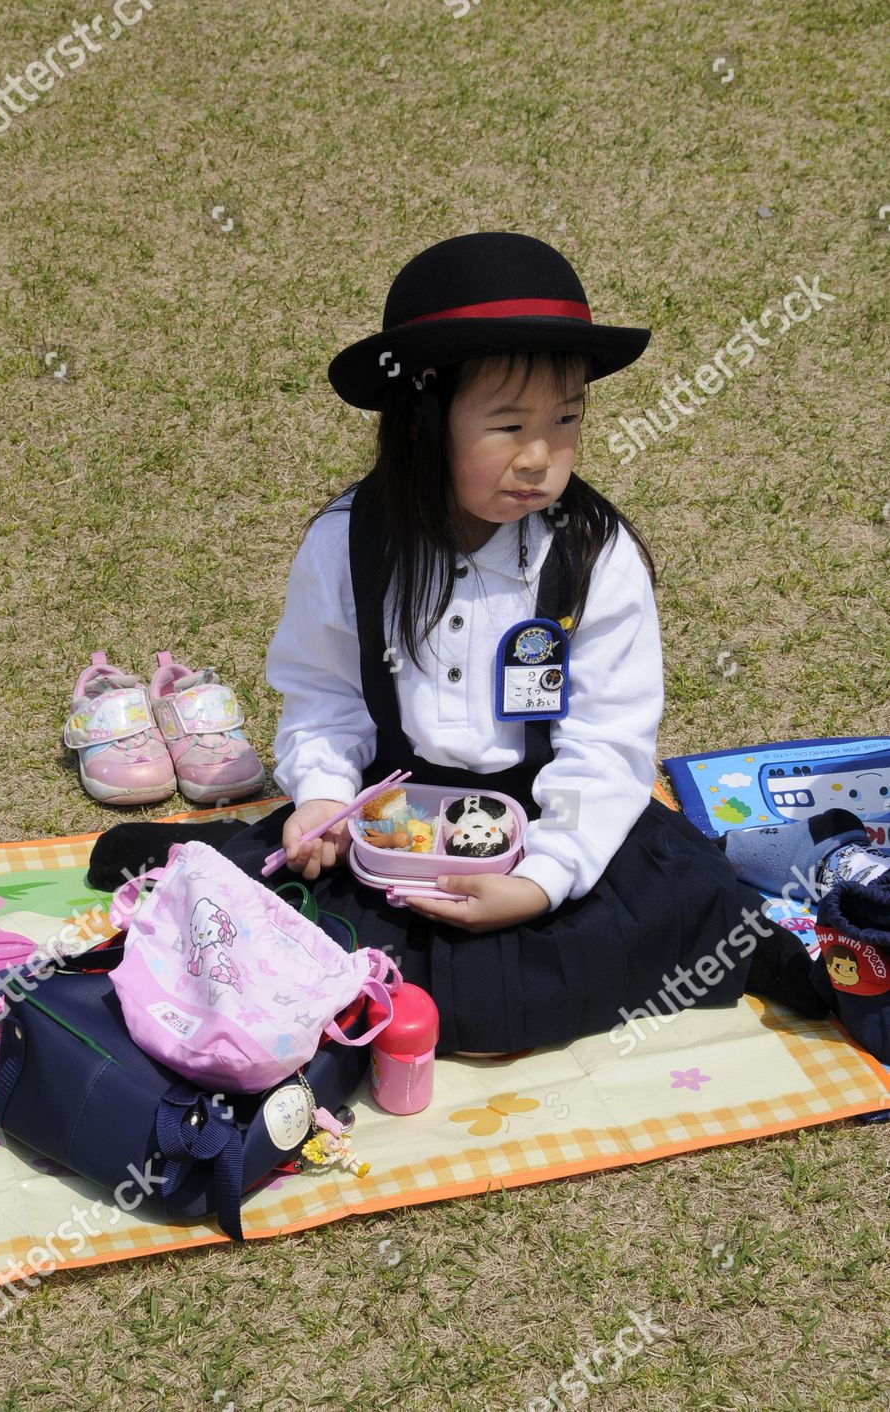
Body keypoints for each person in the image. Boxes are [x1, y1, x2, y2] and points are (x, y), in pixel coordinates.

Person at [90, 231, 826, 1055]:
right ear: (425, 420)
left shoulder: (594, 557)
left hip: (552, 806)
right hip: (392, 819)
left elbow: (607, 743)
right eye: (508, 425)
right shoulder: (348, 544)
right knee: (288, 935)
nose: (541, 458)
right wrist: (327, 797)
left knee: (667, 907)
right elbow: (324, 696)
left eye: (567, 419)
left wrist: (544, 878)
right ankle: (208, 860)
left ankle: (734, 942)